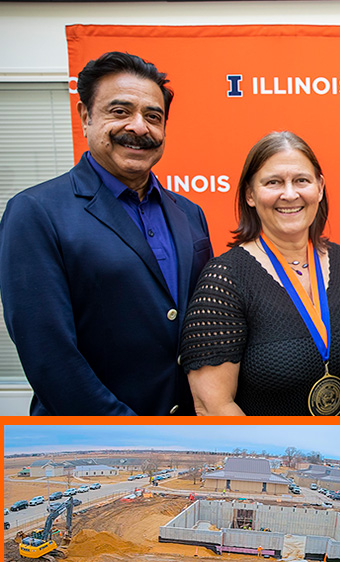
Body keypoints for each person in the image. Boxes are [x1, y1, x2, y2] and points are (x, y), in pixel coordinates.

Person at [0, 51, 212, 415]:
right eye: (120, 112)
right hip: (95, 437)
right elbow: (49, 354)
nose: (139, 127)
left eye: (153, 116)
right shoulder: (36, 212)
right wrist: (128, 432)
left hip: (186, 431)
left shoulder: (189, 213)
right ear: (85, 116)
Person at [178, 131, 340, 415]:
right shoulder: (225, 279)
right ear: (250, 195)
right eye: (273, 182)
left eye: (301, 180)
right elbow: (214, 405)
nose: (290, 194)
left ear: (319, 187)